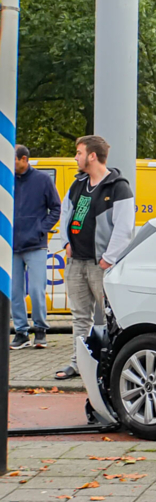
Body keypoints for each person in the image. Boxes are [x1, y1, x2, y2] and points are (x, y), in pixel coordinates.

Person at [54, 136, 135, 380]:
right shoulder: (78, 184)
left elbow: (124, 227)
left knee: (112, 317)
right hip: (76, 261)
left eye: (79, 153)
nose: (75, 157)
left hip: (101, 265)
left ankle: (115, 365)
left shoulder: (118, 186)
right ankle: (78, 363)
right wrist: (66, 242)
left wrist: (108, 259)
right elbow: (65, 212)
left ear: (92, 156)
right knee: (80, 317)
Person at [10, 145, 61, 350]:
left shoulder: (42, 180)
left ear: (24, 159)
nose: (10, 164)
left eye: (13, 160)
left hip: (36, 245)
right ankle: (21, 332)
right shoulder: (7, 180)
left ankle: (40, 330)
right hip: (12, 245)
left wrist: (42, 228)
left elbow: (56, 208)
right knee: (14, 292)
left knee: (36, 290)